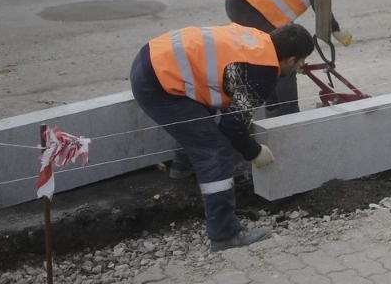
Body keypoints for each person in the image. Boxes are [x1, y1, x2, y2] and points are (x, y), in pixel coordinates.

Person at [129, 22, 314, 252]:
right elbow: (232, 128)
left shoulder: (259, 39)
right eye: (300, 61)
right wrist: (254, 151)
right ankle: (225, 234)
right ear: (289, 59)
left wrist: (242, 120)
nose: (300, 66)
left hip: (152, 58)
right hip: (158, 82)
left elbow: (230, 91)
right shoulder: (264, 72)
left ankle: (181, 165)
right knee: (215, 151)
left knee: (201, 119)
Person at [222, 0, 352, 115]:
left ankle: (273, 110)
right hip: (251, 5)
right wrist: (334, 28)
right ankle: (291, 117)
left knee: (270, 58)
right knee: (285, 61)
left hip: (243, 3)